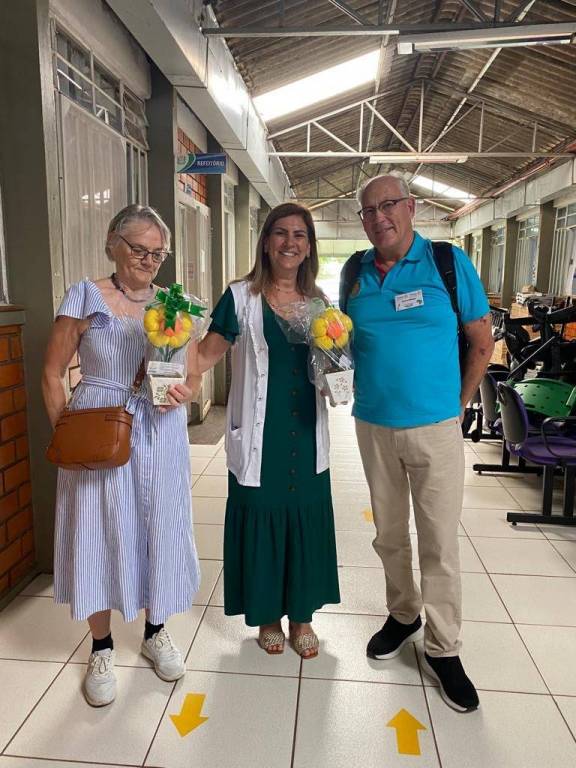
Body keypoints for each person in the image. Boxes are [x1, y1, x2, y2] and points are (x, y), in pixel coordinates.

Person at [343, 175, 494, 712]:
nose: (379, 217)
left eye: (388, 205)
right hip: (372, 424)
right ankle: (403, 614)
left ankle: (444, 647)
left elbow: (482, 341)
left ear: (411, 208)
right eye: (368, 210)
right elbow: (346, 342)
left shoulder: (447, 263)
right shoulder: (354, 272)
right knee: (388, 534)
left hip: (435, 427)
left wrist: (459, 404)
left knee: (438, 541)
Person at [42, 204, 201, 707]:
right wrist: (67, 437)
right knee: (97, 531)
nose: (149, 260)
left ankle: (156, 631)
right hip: (99, 427)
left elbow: (192, 372)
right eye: (139, 249)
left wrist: (187, 392)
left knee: (158, 525)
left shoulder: (174, 305)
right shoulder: (86, 295)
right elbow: (52, 373)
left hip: (159, 429)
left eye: (158, 253)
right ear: (113, 242)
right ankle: (102, 646)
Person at [196, 202, 340, 658]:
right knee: (260, 514)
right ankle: (267, 618)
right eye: (280, 233)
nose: (289, 243)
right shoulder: (240, 297)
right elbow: (205, 354)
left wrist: (342, 376)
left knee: (304, 517)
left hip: (305, 428)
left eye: (299, 235)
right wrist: (170, 374)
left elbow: (335, 365)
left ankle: (302, 617)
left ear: (309, 247)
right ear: (265, 242)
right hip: (261, 433)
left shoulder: (320, 305)